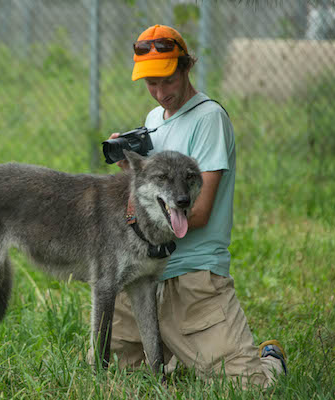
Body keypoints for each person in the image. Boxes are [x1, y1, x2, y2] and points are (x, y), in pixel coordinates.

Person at [107, 24, 287, 389]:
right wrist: (132, 172)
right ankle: (179, 354)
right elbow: (152, 200)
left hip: (191, 275)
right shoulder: (154, 120)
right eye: (151, 84)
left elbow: (199, 213)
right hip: (145, 272)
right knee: (118, 376)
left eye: (168, 81)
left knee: (249, 387)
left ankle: (270, 360)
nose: (161, 93)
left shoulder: (208, 119)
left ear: (187, 67)